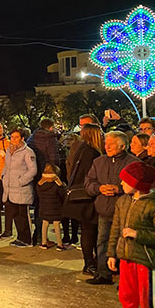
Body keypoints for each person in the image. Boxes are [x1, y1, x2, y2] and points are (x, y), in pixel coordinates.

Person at [85, 130, 139, 285]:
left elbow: (139, 185)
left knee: (124, 245)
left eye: (111, 144)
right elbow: (88, 182)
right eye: (106, 143)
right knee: (102, 241)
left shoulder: (133, 163)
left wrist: (119, 189)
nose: (106, 146)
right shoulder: (98, 162)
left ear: (122, 146)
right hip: (104, 210)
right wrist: (99, 188)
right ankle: (104, 274)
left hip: (125, 212)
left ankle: (125, 278)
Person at [107, 161, 155, 308]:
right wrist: (112, 254)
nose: (121, 183)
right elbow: (115, 229)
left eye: (126, 180)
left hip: (144, 261)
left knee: (145, 299)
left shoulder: (151, 205)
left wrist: (137, 234)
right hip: (126, 259)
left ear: (138, 184)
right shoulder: (122, 201)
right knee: (126, 296)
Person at [63, 124, 104, 276]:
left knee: (88, 230)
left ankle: (90, 261)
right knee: (89, 230)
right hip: (86, 196)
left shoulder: (81, 149)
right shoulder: (91, 152)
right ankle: (89, 263)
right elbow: (90, 175)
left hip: (80, 195)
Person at [1, 127, 38, 247]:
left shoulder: (28, 152)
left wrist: (21, 181)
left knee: (23, 215)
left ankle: (26, 239)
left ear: (22, 138)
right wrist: (4, 176)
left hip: (22, 189)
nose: (14, 139)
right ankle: (20, 237)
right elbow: (7, 166)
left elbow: (33, 170)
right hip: (10, 189)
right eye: (12, 137)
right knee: (15, 214)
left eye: (16, 137)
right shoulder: (8, 150)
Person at [27, 118, 60, 246]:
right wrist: (55, 175)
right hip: (47, 175)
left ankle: (38, 235)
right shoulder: (50, 138)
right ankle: (43, 237)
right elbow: (54, 158)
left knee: (38, 206)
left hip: (35, 176)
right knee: (47, 205)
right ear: (51, 127)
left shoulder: (32, 137)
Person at [37, 163, 66, 250]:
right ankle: (60, 245)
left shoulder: (41, 183)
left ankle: (44, 243)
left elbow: (38, 193)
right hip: (55, 209)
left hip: (44, 208)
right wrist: (61, 184)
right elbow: (63, 194)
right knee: (56, 224)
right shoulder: (56, 183)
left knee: (45, 224)